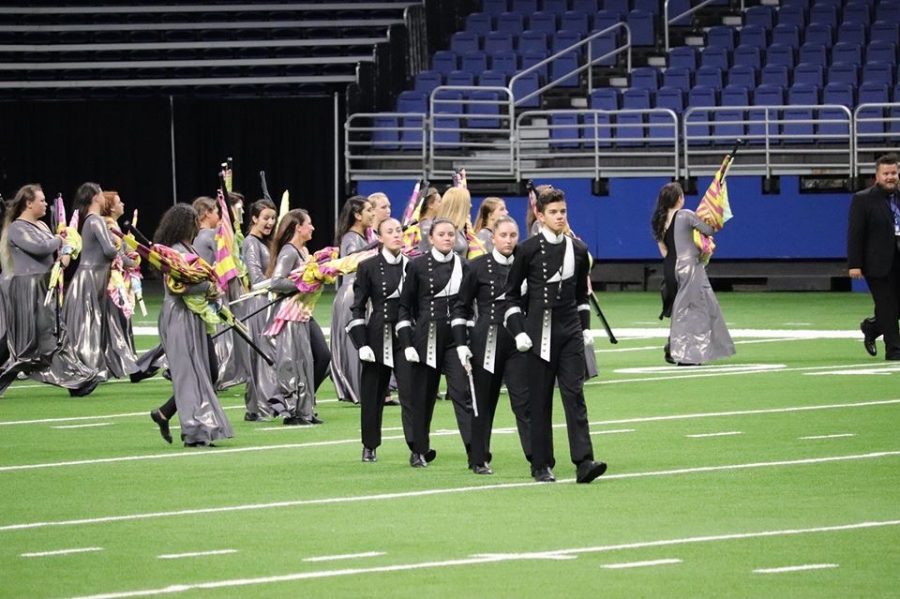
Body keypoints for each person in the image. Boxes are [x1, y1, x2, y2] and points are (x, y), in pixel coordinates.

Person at [504, 187, 607, 484]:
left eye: (562, 211)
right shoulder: (527, 249)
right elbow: (510, 296)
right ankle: (541, 464)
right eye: (553, 212)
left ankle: (584, 461)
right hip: (539, 333)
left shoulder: (578, 249)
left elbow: (580, 296)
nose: (559, 217)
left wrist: (585, 327)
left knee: (575, 395)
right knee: (540, 400)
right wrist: (519, 331)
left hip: (570, 332)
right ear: (540, 215)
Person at [0, 184, 101, 397]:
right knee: (29, 347)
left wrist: (66, 250)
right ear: (28, 203)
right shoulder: (18, 228)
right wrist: (63, 239)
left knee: (56, 334)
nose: (46, 204)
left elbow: (57, 254)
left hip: (46, 285)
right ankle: (75, 380)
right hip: (27, 289)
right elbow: (41, 248)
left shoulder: (42, 227)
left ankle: (77, 380)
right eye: (42, 200)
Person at [148, 204, 233, 447]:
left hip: (194, 315)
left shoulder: (188, 248)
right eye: (194, 221)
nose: (197, 225)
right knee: (189, 373)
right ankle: (195, 431)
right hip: (179, 315)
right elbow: (177, 287)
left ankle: (164, 412)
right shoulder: (173, 252)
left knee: (209, 369)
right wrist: (208, 287)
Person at [454, 216, 531, 475]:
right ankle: (479, 458)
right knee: (483, 402)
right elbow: (462, 306)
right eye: (504, 235)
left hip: (519, 341)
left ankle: (537, 458)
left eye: (513, 235)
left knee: (524, 401)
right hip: (486, 338)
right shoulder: (476, 267)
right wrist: (461, 344)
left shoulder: (527, 264)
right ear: (493, 238)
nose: (508, 240)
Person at [397, 218, 473, 467]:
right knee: (424, 396)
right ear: (431, 238)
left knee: (463, 393)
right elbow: (405, 307)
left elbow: (470, 307)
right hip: (426, 337)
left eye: (451, 234)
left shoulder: (464, 265)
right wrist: (407, 343)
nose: (447, 238)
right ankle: (418, 449)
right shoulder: (417, 266)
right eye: (442, 234)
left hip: (455, 340)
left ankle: (476, 452)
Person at [347, 217, 416, 462]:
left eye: (399, 230)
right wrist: (361, 343)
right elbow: (357, 307)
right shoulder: (368, 267)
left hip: (405, 336)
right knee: (373, 394)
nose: (397, 235)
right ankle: (369, 445)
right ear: (380, 237)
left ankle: (417, 449)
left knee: (410, 393)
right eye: (390, 231)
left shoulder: (412, 265)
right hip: (377, 335)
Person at [63, 182, 142, 380]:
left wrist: (128, 260)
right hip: (90, 278)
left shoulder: (93, 220)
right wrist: (123, 252)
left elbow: (109, 252)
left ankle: (101, 366)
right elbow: (108, 250)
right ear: (95, 197)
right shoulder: (95, 220)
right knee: (89, 325)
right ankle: (88, 368)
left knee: (97, 324)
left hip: (95, 277)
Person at [652, 182, 735, 366]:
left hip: (671, 268)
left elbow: (664, 251)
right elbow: (710, 229)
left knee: (683, 308)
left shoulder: (659, 219)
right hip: (689, 266)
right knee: (695, 310)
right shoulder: (686, 215)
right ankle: (688, 354)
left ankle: (677, 348)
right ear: (679, 198)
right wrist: (715, 209)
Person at [266, 209, 323, 426]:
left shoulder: (303, 251)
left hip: (301, 311)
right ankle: (291, 410)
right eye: (309, 224)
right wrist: (304, 284)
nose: (312, 228)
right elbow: (277, 282)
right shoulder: (289, 252)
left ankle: (305, 410)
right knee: (293, 361)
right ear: (298, 227)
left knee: (307, 360)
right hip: (289, 313)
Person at [192, 196, 250, 390]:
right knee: (222, 334)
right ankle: (222, 371)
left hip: (206, 289)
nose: (218, 216)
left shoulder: (196, 236)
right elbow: (226, 253)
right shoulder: (209, 235)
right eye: (216, 212)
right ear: (207, 213)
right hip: (216, 288)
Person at [848, 153, 900, 360]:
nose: (890, 177)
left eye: (894, 173)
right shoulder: (863, 199)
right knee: (887, 304)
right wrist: (855, 264)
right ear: (877, 176)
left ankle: (872, 327)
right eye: (886, 173)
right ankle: (895, 350)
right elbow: (855, 233)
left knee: (893, 307)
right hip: (877, 262)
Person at [330, 196, 374, 405]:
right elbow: (350, 262)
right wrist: (375, 247)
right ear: (357, 215)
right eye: (369, 211)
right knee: (355, 343)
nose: (372, 215)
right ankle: (356, 390)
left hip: (359, 293)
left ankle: (362, 389)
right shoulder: (351, 238)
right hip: (351, 293)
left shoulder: (361, 237)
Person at [241, 198, 278, 421]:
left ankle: (258, 406)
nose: (270, 222)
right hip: (259, 303)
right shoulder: (251, 242)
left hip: (269, 301)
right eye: (265, 218)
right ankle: (262, 406)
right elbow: (255, 278)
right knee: (262, 356)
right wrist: (281, 279)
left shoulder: (266, 242)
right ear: (254, 218)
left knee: (266, 356)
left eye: (273, 218)